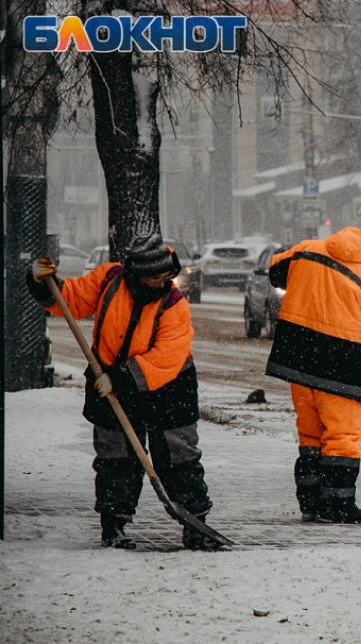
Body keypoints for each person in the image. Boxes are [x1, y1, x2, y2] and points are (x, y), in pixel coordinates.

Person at [27, 233, 219, 550]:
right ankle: (114, 523)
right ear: (137, 273)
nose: (163, 283)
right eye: (156, 277)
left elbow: (166, 357)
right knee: (116, 456)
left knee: (178, 456)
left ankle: (195, 521)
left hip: (169, 385)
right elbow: (71, 299)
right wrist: (41, 282)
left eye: (166, 276)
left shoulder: (173, 303)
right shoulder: (111, 280)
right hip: (109, 377)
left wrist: (120, 378)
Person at [266, 217, 361, 524]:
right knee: (342, 437)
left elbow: (276, 272)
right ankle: (338, 506)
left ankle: (311, 502)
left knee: (311, 434)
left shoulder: (308, 250)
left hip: (299, 357)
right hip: (343, 364)